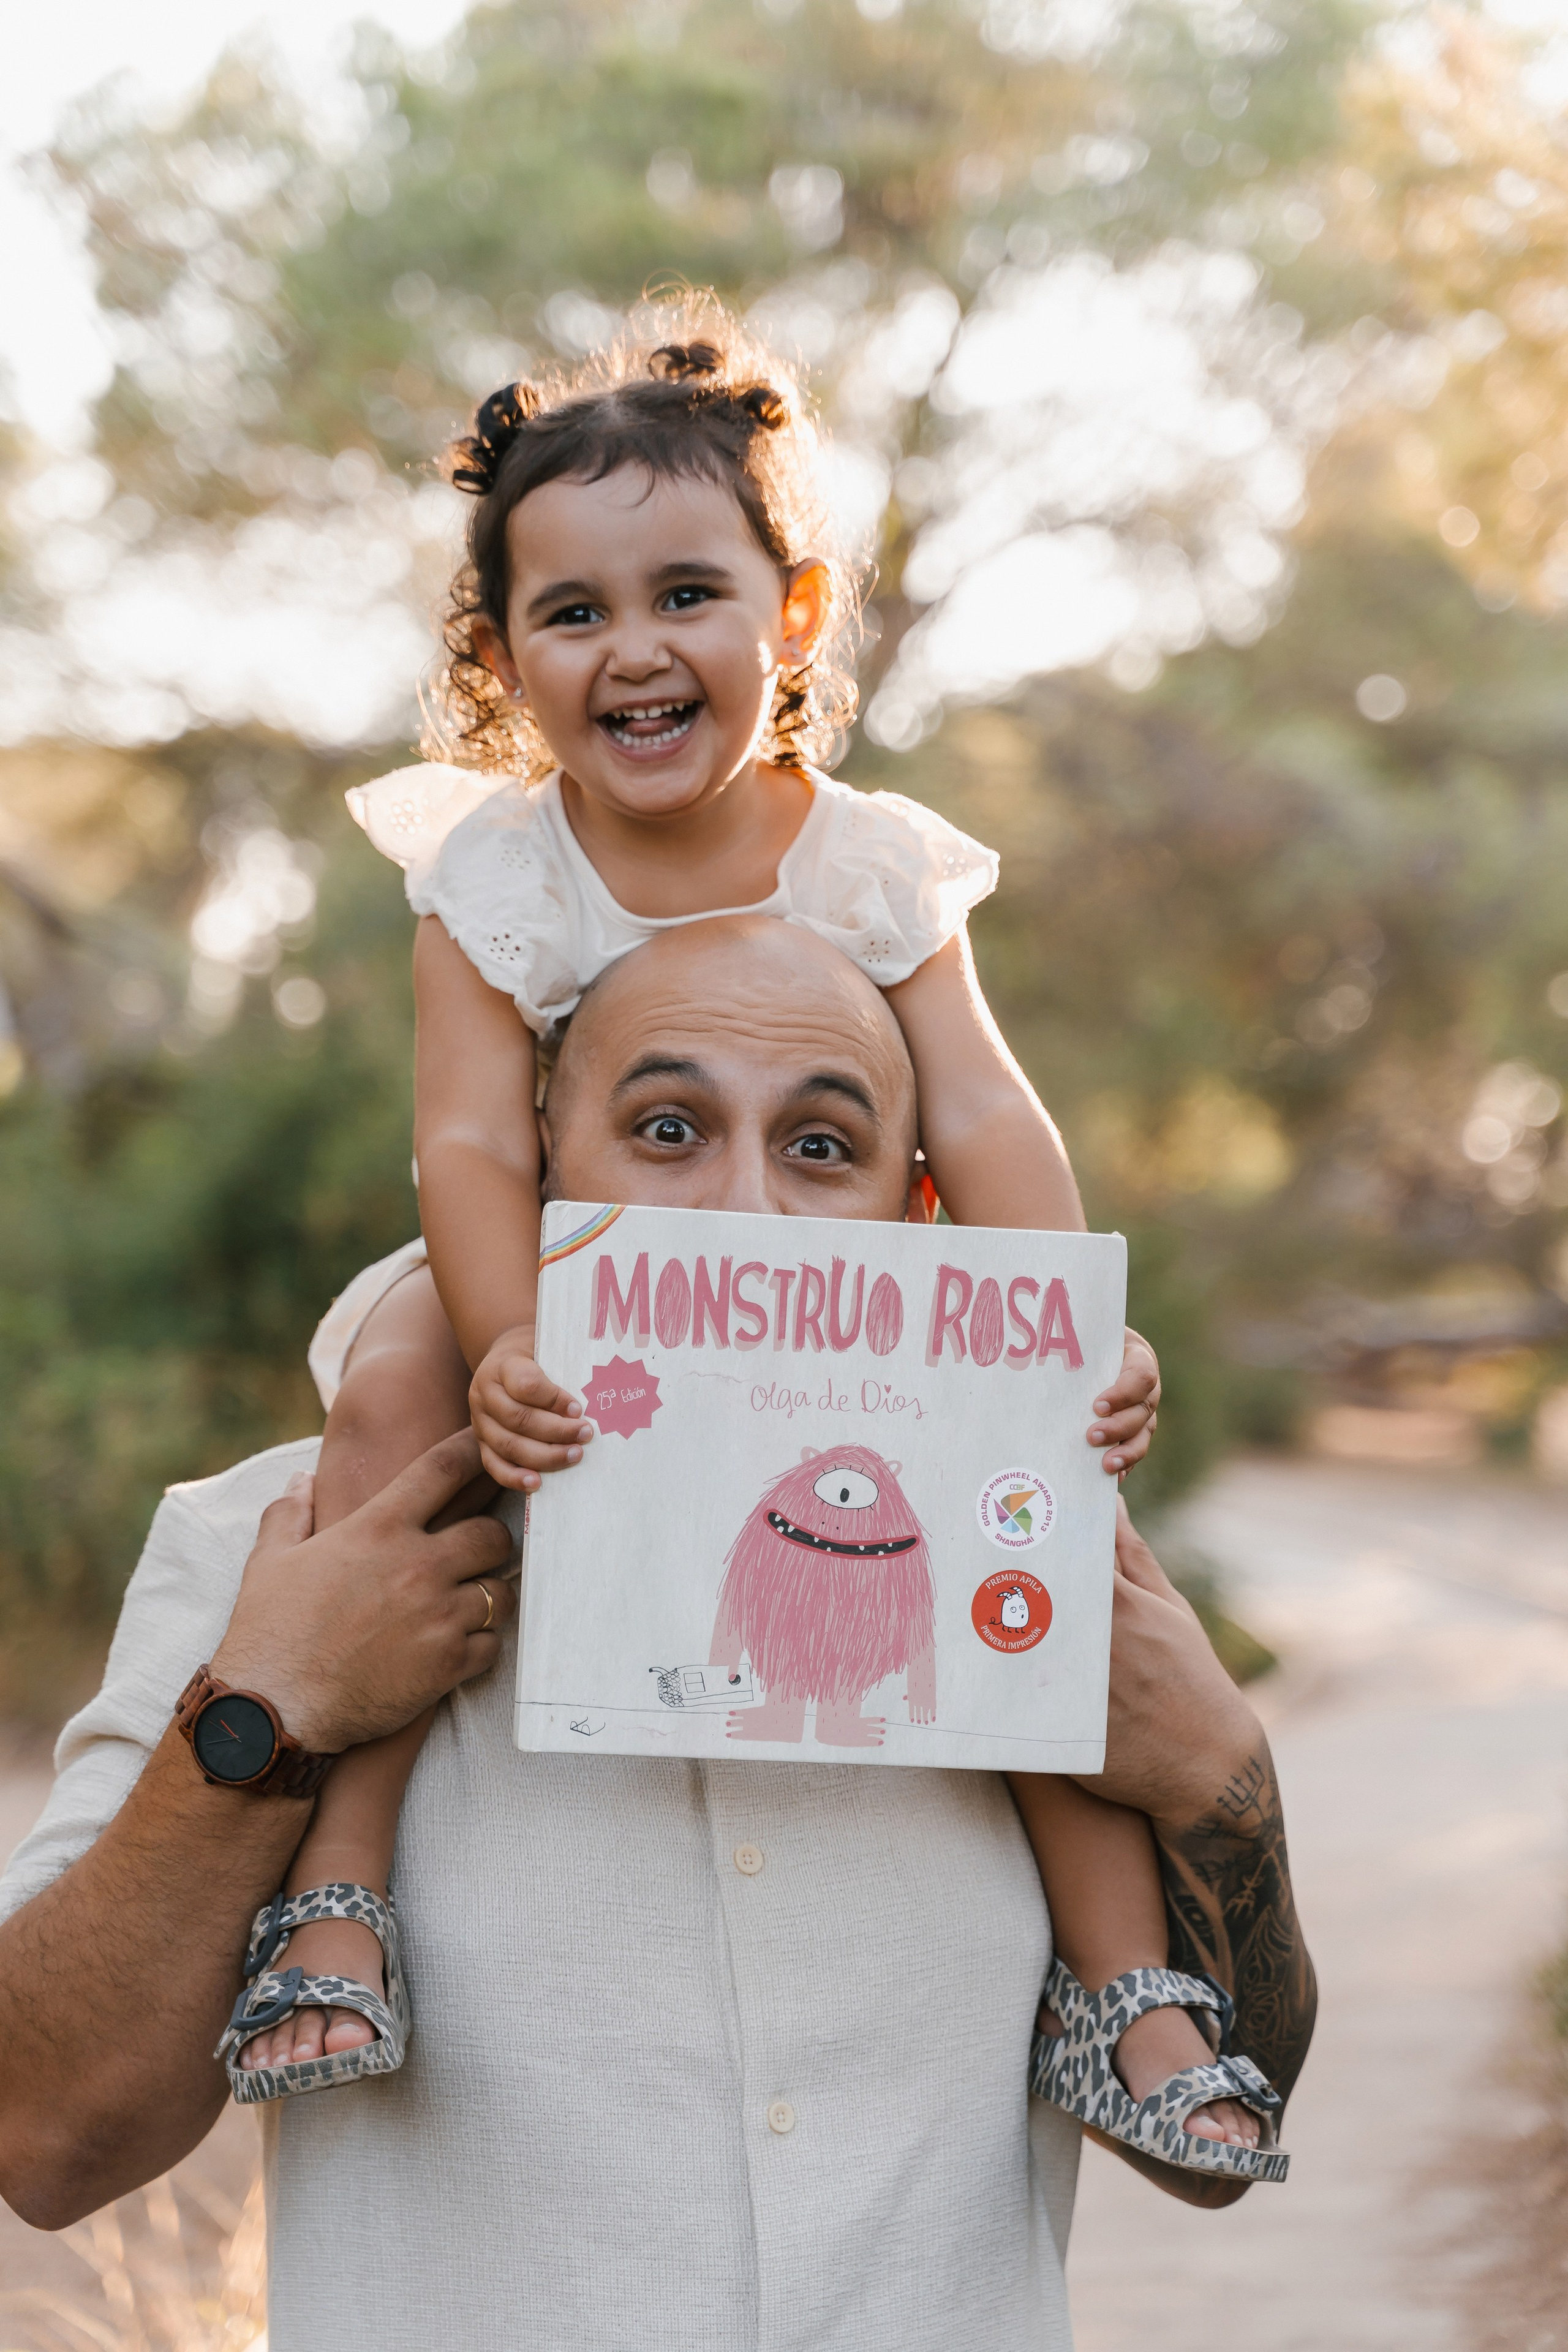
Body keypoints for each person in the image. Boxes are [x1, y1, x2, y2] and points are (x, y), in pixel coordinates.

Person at [241, 290, 1262, 2169]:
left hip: (843, 1292)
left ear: (788, 615)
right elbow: (469, 1140)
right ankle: (341, 1883)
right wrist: (503, 1346)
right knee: (389, 1400)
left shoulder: (867, 859)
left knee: (1041, 1528)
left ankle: (1129, 1989)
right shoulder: (495, 869)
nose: (636, 650)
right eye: (574, 612)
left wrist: (1064, 1345)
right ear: (504, 657)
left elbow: (980, 1114)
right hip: (564, 1278)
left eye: (686, 594)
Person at [0, 921, 1315, 2352]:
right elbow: (47, 2139)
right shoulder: (287, 1542)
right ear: (544, 1164)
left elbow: (1211, 2152)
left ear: (915, 1212)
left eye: (820, 1147)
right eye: (668, 1128)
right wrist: (267, 1707)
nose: (740, 1208)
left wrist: (1218, 1775)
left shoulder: (1018, 1570)